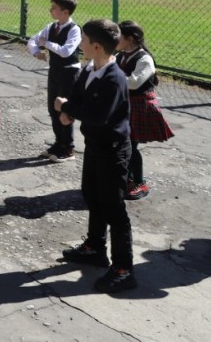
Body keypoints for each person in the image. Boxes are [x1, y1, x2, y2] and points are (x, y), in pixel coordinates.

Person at [54, 19, 137, 294]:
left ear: (97, 46)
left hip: (113, 150)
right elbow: (78, 97)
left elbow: (99, 115)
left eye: (84, 40)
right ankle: (94, 247)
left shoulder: (114, 78)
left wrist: (67, 109)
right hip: (94, 145)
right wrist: (68, 110)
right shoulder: (90, 69)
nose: (81, 44)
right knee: (92, 195)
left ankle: (124, 269)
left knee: (113, 207)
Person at [116, 21, 173, 200]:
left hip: (139, 105)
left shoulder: (144, 58)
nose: (115, 39)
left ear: (130, 39)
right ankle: (126, 178)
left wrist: (111, 76)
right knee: (123, 144)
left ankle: (139, 182)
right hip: (124, 104)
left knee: (131, 145)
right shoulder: (120, 56)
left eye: (118, 36)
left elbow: (134, 82)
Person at [28, 0, 82, 162]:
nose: (50, 10)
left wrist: (46, 43)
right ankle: (59, 143)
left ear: (65, 12)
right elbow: (33, 40)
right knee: (53, 109)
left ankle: (68, 148)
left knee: (65, 110)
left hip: (69, 73)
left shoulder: (74, 29)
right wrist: (36, 51)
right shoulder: (51, 27)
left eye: (54, 8)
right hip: (55, 71)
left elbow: (66, 51)